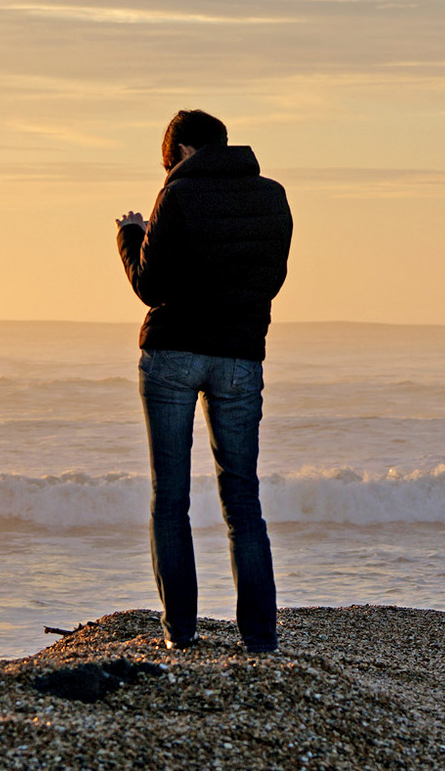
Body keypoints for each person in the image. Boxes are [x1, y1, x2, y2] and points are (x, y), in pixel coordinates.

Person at [116, 109, 292, 653]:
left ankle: (180, 635)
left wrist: (131, 236)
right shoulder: (273, 196)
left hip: (172, 353)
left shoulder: (178, 196)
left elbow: (150, 285)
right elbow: (272, 279)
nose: (167, 173)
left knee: (170, 499)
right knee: (243, 502)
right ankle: (260, 639)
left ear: (185, 152)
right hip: (240, 356)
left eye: (168, 163)